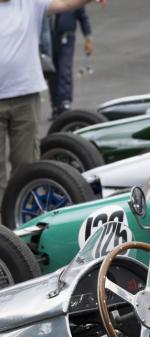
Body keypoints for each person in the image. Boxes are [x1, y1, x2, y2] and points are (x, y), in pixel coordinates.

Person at [0, 0, 106, 208]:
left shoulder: (29, 4)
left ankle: (21, 219)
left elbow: (65, 3)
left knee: (27, 165)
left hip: (24, 96)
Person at [49, 9, 93, 117]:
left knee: (65, 69)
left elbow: (83, 18)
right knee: (51, 71)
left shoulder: (72, 3)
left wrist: (88, 38)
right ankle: (55, 104)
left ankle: (65, 101)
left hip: (66, 37)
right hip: (50, 38)